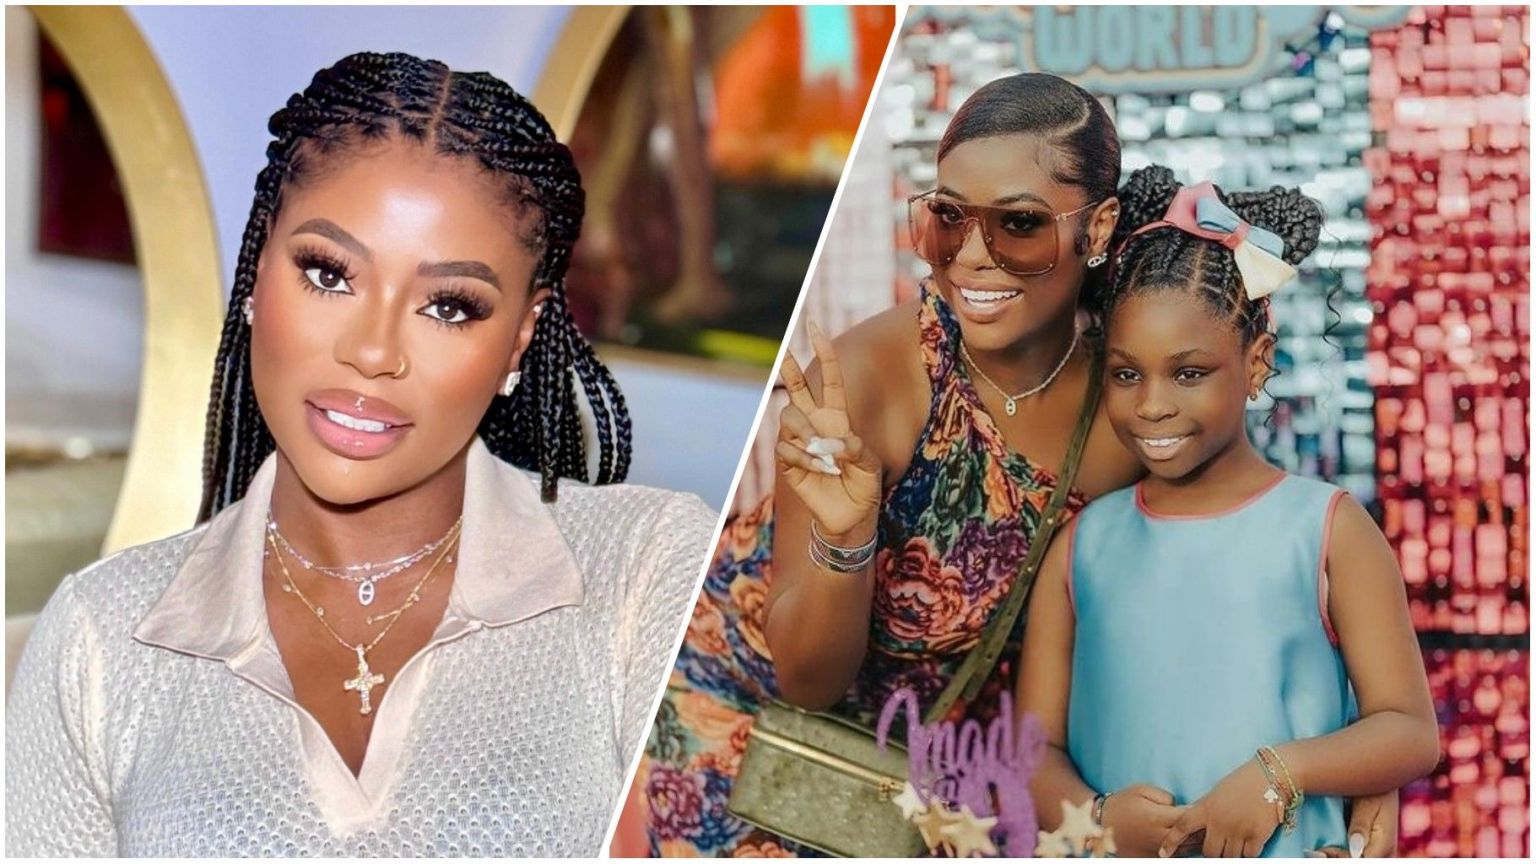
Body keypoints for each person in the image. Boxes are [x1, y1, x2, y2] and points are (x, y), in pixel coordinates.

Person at [6, 51, 716, 856]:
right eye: (329, 273)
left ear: (521, 335)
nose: (374, 352)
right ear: (257, 271)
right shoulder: (103, 637)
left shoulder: (647, 570)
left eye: (450, 306)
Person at [1016, 166, 1440, 858]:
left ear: (1257, 364)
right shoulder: (1082, 545)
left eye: (1189, 373)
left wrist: (1282, 775)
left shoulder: (1326, 530)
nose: (1152, 404)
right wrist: (1093, 822)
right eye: (1127, 374)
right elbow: (1033, 750)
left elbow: (1408, 730)